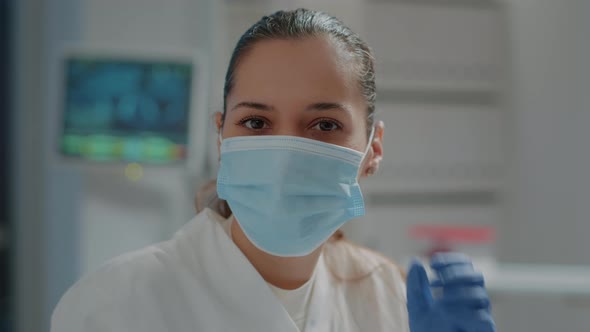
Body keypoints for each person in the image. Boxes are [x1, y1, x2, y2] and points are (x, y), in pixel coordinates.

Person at [51, 9, 495, 332]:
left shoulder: (389, 300)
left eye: (324, 125)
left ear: (373, 149)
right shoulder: (113, 307)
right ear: (221, 137)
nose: (285, 155)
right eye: (257, 122)